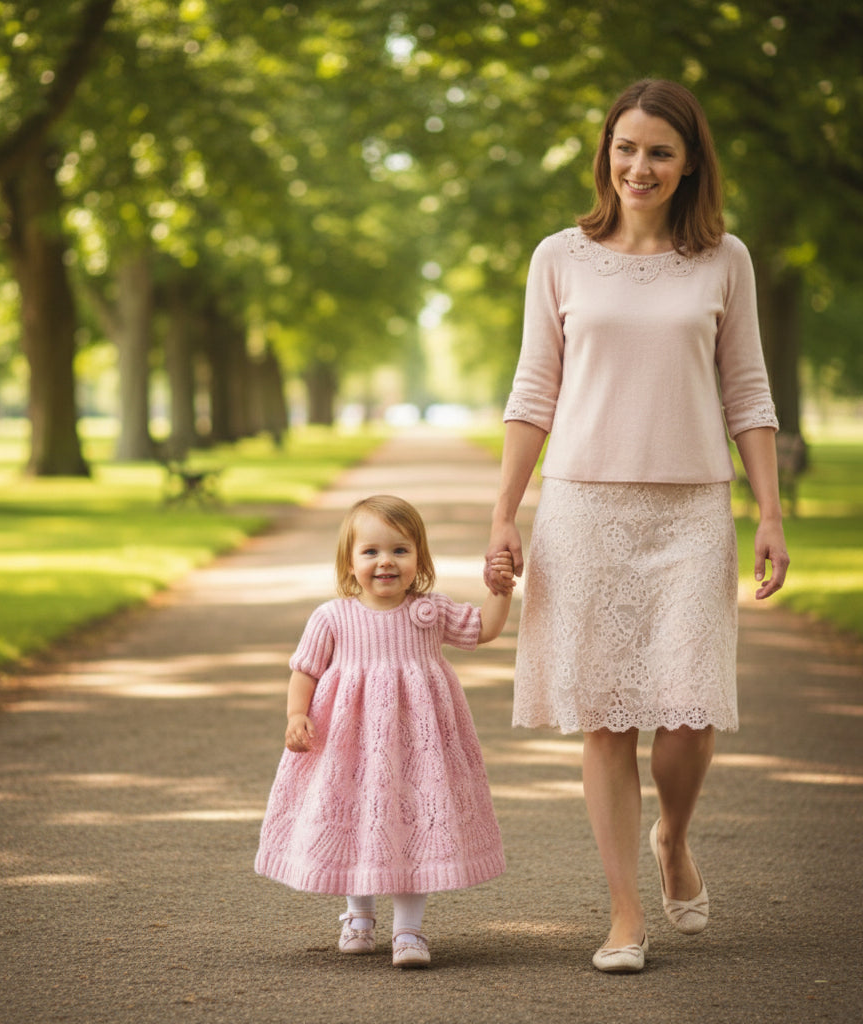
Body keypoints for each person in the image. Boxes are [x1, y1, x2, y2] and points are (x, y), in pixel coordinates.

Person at [485, 78, 789, 974]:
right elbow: (532, 390)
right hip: (582, 508)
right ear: (604, 155)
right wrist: (504, 513)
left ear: (689, 160)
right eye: (625, 148)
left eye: (659, 150)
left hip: (693, 509)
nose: (639, 166)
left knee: (690, 711)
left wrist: (769, 511)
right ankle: (623, 914)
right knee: (605, 720)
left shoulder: (725, 259)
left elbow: (749, 390)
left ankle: (675, 837)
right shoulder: (560, 257)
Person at [256, 494, 515, 968]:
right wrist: (297, 715)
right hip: (350, 744)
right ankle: (358, 916)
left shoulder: (431, 611)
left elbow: (484, 630)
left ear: (419, 558)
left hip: (419, 746)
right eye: (370, 552)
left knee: (412, 819)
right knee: (360, 816)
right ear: (350, 561)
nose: (385, 562)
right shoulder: (333, 617)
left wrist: (499, 589)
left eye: (400, 550)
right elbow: (305, 671)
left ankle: (409, 931)